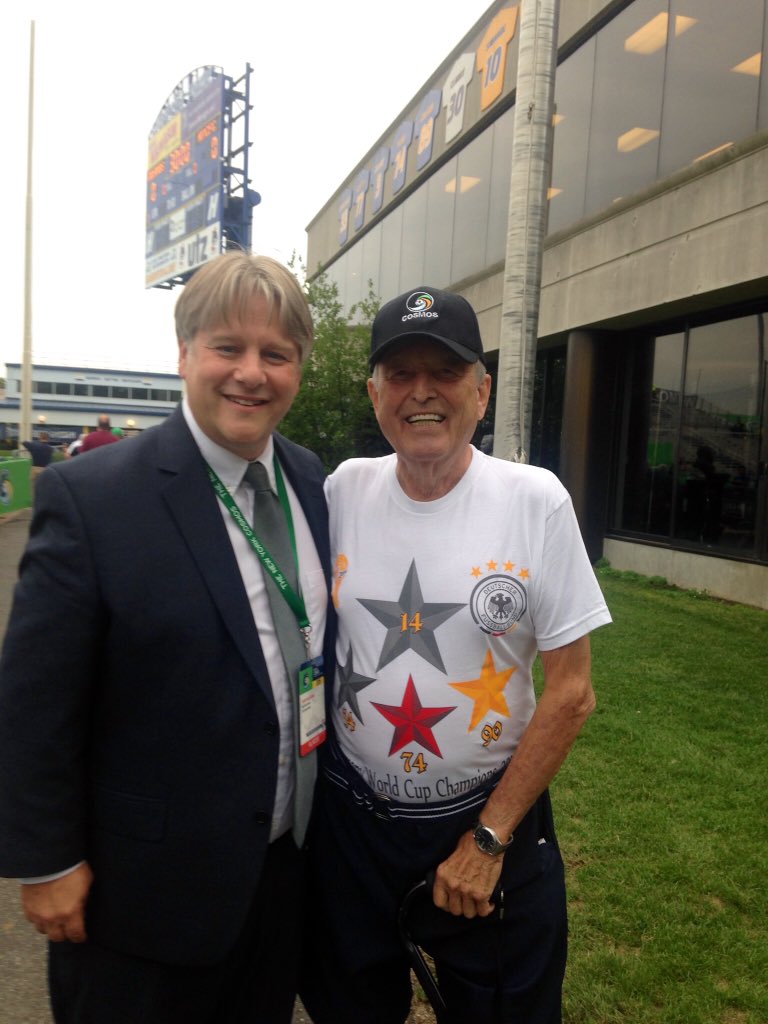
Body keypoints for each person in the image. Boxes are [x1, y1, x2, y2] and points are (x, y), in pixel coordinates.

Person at [0, 251, 332, 1024]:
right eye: (228, 347)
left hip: (280, 876)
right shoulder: (93, 497)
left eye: (276, 354)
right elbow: (35, 699)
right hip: (139, 900)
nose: (251, 373)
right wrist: (46, 859)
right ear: (184, 354)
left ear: (297, 369)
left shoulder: (309, 480)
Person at [301, 286, 612, 1024]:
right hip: (354, 829)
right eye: (400, 374)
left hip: (488, 822)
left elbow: (571, 691)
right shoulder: (341, 490)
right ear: (374, 393)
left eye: (444, 371)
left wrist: (489, 840)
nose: (422, 392)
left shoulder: (535, 501)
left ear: (482, 391)